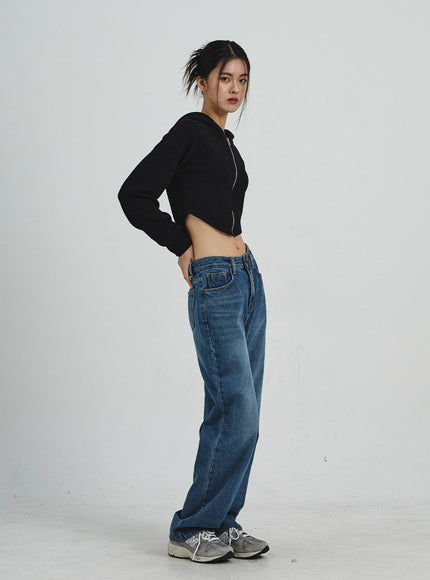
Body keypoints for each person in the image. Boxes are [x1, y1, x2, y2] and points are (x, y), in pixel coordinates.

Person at [117, 39, 269, 564]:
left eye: (242, 80)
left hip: (247, 279)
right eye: (225, 78)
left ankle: (222, 522)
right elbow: (134, 193)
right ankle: (191, 529)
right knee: (236, 407)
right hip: (217, 281)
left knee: (243, 408)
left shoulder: (228, 145)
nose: (235, 88)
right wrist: (179, 244)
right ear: (202, 82)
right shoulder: (190, 130)